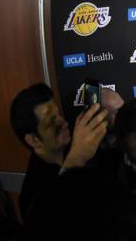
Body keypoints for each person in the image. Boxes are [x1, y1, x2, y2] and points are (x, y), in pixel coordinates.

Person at [9, 83, 108, 220]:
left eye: (59, 114)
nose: (65, 123)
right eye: (52, 122)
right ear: (33, 140)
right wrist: (76, 160)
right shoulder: (33, 196)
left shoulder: (78, 143)